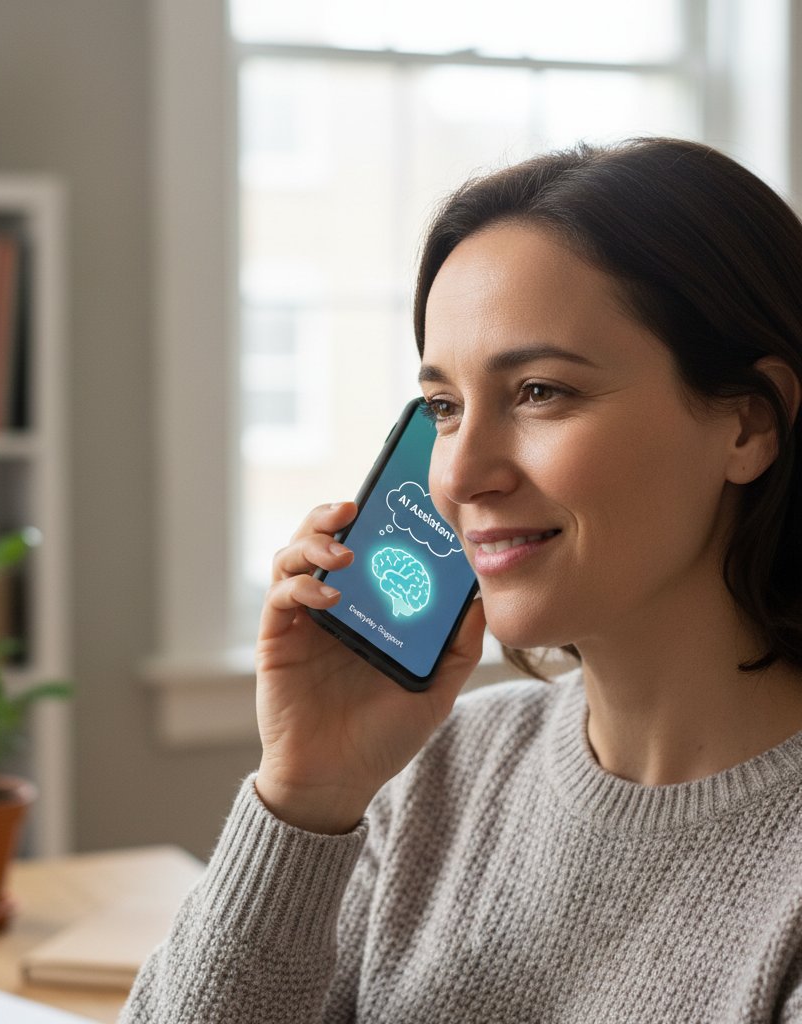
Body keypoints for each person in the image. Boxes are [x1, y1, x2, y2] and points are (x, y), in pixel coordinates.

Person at [119, 138, 802, 1022]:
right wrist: (306, 797)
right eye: (443, 407)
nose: (459, 473)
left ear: (748, 425)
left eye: (541, 392)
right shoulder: (438, 774)